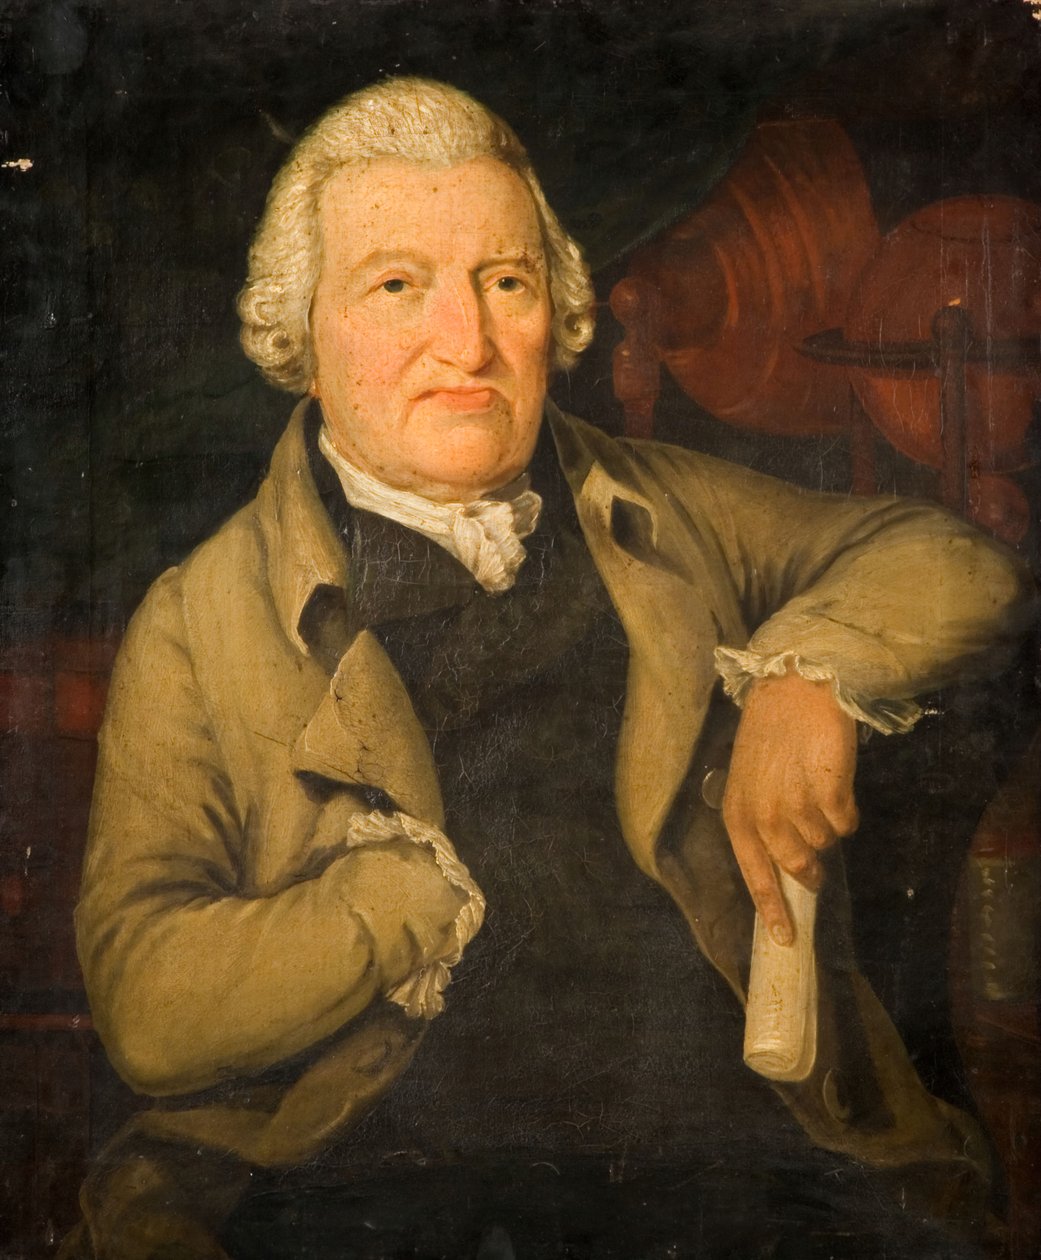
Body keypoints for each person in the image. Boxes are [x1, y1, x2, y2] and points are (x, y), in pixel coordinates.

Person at [65, 78, 1032, 1259]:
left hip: (724, 1170)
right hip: (355, 1183)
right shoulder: (197, 619)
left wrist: (807, 674)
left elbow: (956, 560)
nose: (468, 343)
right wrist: (382, 908)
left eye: (506, 283)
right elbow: (146, 1010)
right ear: (304, 338)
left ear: (556, 317)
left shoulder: (663, 507)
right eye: (397, 286)